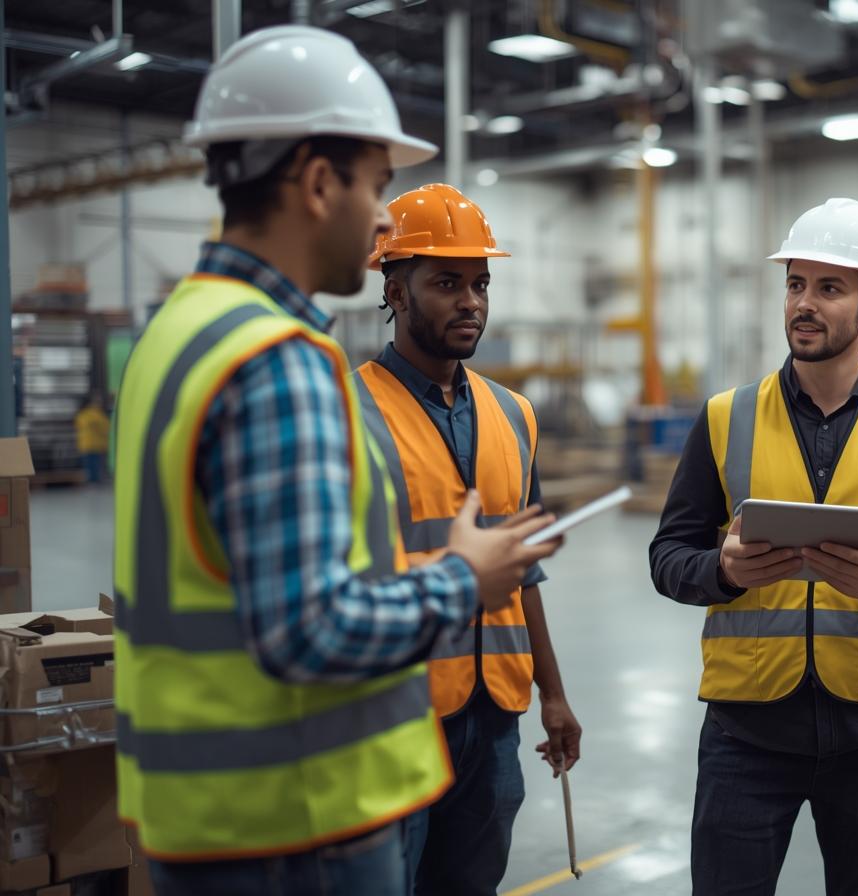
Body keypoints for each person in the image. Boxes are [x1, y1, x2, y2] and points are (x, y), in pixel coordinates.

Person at [111, 27, 561, 896]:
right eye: (375, 184)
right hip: (297, 819)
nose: (385, 217)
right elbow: (311, 630)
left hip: (204, 819)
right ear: (319, 183)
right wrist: (463, 579)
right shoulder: (276, 360)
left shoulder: (179, 333)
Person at [649, 197, 858, 896]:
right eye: (796, 284)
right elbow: (668, 557)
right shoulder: (724, 418)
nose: (805, 303)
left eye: (829, 288)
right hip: (745, 734)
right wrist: (722, 571)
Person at [354, 183, 582, 896]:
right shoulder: (347, 410)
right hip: (396, 713)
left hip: (496, 718)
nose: (471, 301)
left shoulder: (513, 415)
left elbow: (525, 574)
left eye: (480, 283)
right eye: (447, 282)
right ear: (395, 289)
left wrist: (554, 693)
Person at [75, 393, 110, 484]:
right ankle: (95, 479)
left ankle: (92, 480)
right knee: (96, 464)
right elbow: (106, 427)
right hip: (96, 444)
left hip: (86, 444)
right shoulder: (98, 414)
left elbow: (78, 426)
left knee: (90, 465)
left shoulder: (82, 415)